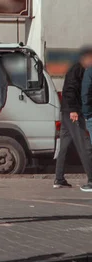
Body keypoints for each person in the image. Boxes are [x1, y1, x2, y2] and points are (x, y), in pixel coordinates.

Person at [54, 46, 92, 192]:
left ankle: (59, 178)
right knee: (84, 145)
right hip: (72, 112)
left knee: (64, 145)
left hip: (67, 111)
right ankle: (91, 179)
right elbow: (70, 89)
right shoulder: (78, 70)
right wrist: (74, 110)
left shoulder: (78, 69)